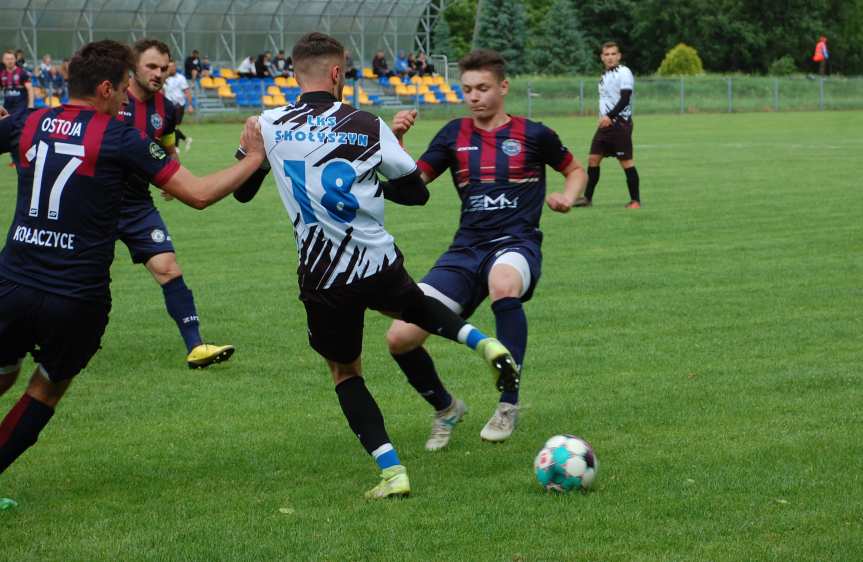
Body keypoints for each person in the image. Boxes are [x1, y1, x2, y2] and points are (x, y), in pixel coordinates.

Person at [232, 32, 519, 499]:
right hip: (377, 261)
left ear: (294, 73)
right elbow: (417, 192)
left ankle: (392, 472)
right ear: (338, 73)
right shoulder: (367, 124)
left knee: (346, 373)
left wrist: (256, 152)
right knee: (415, 306)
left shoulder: (267, 124)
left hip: (324, 278)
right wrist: (370, 178)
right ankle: (487, 346)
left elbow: (242, 191)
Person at [0, 39, 266, 502]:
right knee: (44, 390)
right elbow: (198, 193)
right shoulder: (122, 138)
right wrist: (255, 158)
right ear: (105, 88)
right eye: (123, 88)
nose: (127, 98)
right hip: (75, 297)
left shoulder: (29, 121)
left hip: (13, 283)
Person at [386, 48, 586, 448]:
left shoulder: (535, 134)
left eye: (482, 88)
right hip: (465, 251)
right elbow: (411, 185)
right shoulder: (453, 135)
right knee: (399, 338)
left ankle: (508, 404)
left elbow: (574, 169)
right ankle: (446, 408)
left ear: (503, 87)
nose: (474, 97)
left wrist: (568, 195)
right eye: (467, 90)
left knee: (503, 282)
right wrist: (397, 140)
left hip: (516, 244)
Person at [116, 39, 233, 368]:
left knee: (168, 268)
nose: (158, 74)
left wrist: (171, 174)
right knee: (80, 278)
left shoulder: (166, 109)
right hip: (97, 202)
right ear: (133, 67)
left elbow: (166, 145)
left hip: (138, 203)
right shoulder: (112, 98)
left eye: (163, 68)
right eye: (150, 66)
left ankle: (196, 346)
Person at [573, 41, 640, 209]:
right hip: (605, 125)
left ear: (619, 56)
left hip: (619, 124)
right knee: (593, 159)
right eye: (607, 55)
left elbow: (625, 98)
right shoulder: (605, 76)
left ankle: (635, 201)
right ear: (602, 57)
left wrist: (609, 116)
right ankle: (587, 199)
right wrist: (605, 118)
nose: (610, 57)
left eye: (613, 54)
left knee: (626, 161)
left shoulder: (624, 72)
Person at [1, 50, 34, 167]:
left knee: (20, 134)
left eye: (11, 59)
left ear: (15, 60)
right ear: (3, 60)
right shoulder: (2, 74)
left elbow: (30, 89)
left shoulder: (22, 73)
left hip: (20, 109)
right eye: (7, 59)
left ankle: (21, 159)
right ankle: (15, 160)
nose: (9, 61)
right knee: (8, 134)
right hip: (7, 108)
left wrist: (30, 106)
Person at [164, 59, 194, 150]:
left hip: (178, 105)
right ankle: (186, 140)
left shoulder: (181, 78)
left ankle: (176, 147)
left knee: (173, 126)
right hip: (167, 106)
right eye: (170, 66)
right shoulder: (164, 78)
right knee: (169, 127)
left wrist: (190, 105)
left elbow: (187, 91)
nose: (172, 68)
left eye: (173, 66)